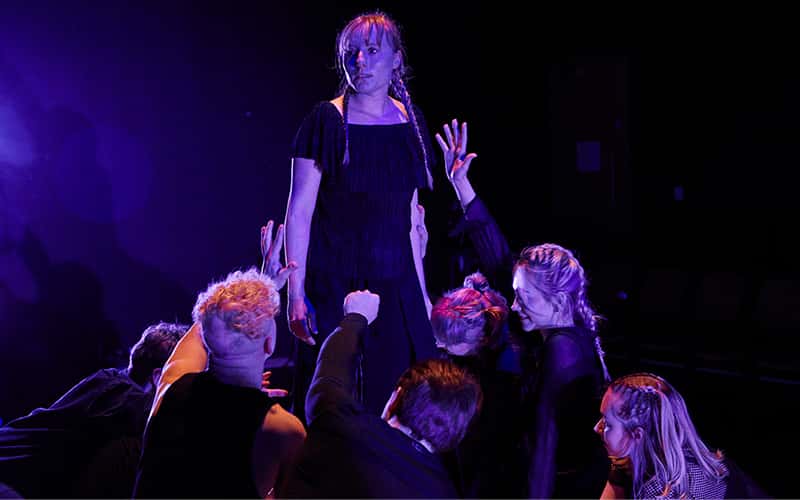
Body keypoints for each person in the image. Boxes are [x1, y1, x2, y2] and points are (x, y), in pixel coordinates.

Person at [435, 118, 612, 498]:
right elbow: (500, 261)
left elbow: (543, 444)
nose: (513, 306)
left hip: (572, 485)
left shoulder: (562, 350)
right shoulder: (556, 323)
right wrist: (461, 184)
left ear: (557, 299)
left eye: (524, 298)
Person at [284, 10, 437, 421]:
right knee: (336, 400)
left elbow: (408, 217)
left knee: (401, 403)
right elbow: (299, 212)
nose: (361, 62)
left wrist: (421, 292)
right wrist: (295, 293)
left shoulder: (410, 121)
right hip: (337, 282)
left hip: (397, 283)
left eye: (372, 51)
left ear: (396, 59)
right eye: (351, 53)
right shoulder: (326, 120)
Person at [133, 223, 306, 498]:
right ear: (270, 343)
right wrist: (266, 289)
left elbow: (205, 326)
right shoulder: (282, 430)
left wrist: (264, 286)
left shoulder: (171, 385)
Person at [282, 290, 482, 498]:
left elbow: (330, 373)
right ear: (456, 435)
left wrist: (356, 318)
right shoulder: (444, 494)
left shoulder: (339, 423)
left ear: (396, 396)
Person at [0, 321, 187, 498]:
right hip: (8, 476)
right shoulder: (119, 393)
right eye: (186, 379)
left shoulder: (114, 386)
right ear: (158, 377)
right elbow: (172, 422)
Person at [430, 272, 527, 498]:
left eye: (446, 342)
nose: (438, 344)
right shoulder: (473, 349)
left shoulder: (505, 371)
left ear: (477, 340)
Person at [595, 372, 768, 499]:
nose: (596, 428)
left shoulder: (666, 493)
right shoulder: (655, 457)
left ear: (637, 435)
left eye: (607, 422)